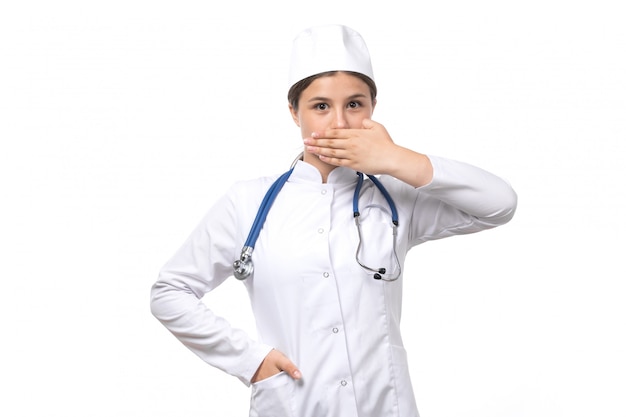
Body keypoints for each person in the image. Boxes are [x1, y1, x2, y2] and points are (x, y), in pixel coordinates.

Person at [150, 24, 517, 417]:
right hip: (295, 404)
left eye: (355, 104)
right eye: (320, 106)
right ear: (295, 112)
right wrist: (250, 359)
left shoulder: (396, 197)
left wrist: (396, 158)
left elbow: (499, 204)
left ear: (373, 109)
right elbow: (170, 291)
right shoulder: (247, 202)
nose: (339, 123)